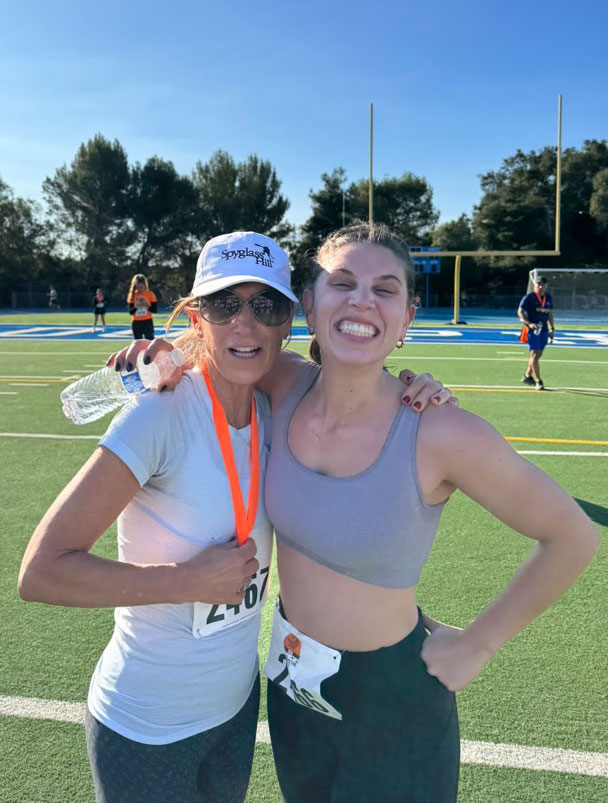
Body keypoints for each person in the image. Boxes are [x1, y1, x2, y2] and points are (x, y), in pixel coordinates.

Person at [122, 224, 598, 803]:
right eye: (342, 283)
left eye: (386, 288)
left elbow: (571, 535)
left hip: (392, 699)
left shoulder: (439, 429)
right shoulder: (283, 381)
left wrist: (480, 642)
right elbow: (214, 345)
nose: (362, 301)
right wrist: (153, 355)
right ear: (310, 304)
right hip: (293, 685)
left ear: (408, 317)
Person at [19, 230, 452, 803]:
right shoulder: (159, 414)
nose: (245, 324)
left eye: (265, 305)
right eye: (225, 304)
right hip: (147, 724)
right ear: (197, 317)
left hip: (237, 711)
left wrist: (418, 387)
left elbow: (351, 394)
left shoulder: (279, 411)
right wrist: (181, 582)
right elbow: (41, 571)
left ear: (288, 321)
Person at [518, 275, 555, 390]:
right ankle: (538, 380)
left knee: (538, 354)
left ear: (546, 286)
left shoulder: (548, 298)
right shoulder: (529, 297)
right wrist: (528, 323)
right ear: (535, 285)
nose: (540, 286)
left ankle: (527, 376)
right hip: (532, 329)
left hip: (543, 329)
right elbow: (520, 311)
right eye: (538, 284)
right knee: (534, 354)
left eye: (543, 284)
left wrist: (551, 328)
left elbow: (549, 314)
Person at [127, 274, 157, 340]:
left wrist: (146, 305)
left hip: (147, 322)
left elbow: (154, 310)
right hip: (136, 322)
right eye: (138, 287)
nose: (140, 289)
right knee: (137, 343)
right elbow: (131, 312)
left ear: (145, 285)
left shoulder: (150, 294)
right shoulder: (132, 295)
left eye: (141, 287)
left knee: (150, 342)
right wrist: (136, 306)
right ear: (135, 286)